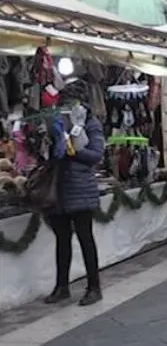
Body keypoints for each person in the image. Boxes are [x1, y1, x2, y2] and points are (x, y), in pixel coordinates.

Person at [44, 79, 106, 307]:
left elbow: (96, 154)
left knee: (85, 238)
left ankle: (94, 287)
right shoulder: (58, 121)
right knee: (62, 240)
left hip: (81, 188)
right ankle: (62, 286)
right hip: (59, 188)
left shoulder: (91, 123)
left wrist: (72, 151)